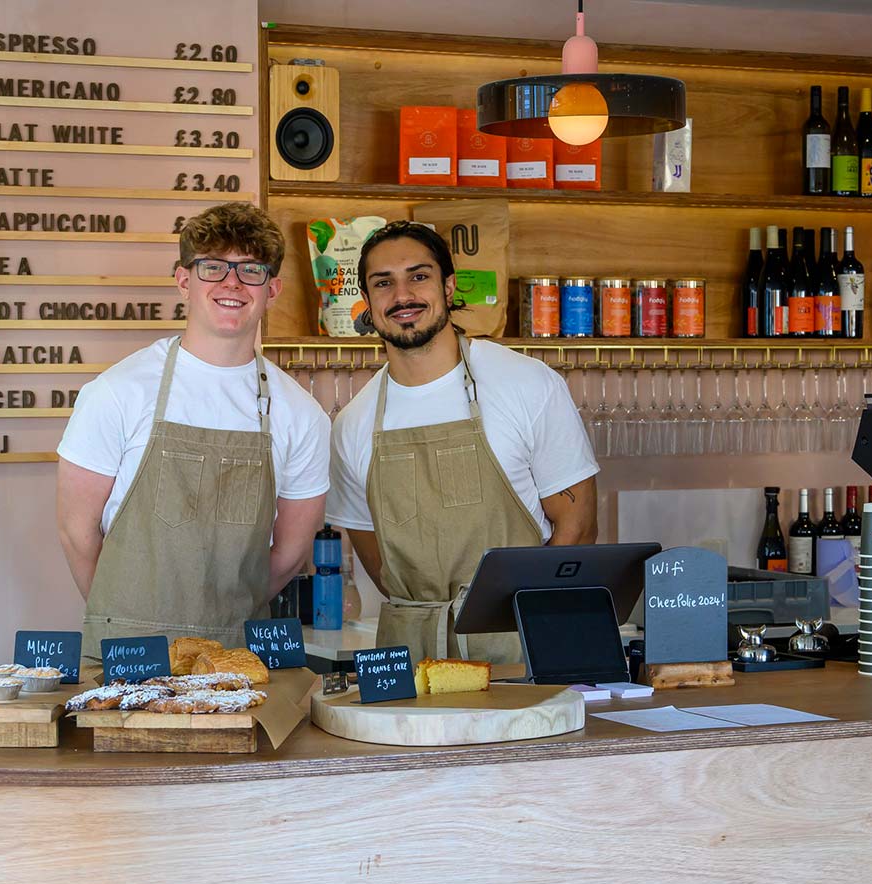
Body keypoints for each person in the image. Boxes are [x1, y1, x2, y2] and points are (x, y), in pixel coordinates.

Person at [57, 203, 330, 651]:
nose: (232, 283)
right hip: (129, 648)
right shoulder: (116, 392)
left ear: (273, 288)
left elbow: (290, 554)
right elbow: (75, 530)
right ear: (185, 280)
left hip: (236, 653)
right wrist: (121, 616)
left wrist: (220, 621)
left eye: (250, 270)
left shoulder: (300, 415)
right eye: (213, 267)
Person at [326, 221, 598, 665]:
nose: (402, 296)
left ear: (448, 287)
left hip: (519, 644)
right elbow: (377, 560)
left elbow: (579, 529)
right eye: (383, 283)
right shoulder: (352, 424)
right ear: (368, 301)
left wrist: (510, 616)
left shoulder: (528, 385)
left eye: (419, 276)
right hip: (412, 657)